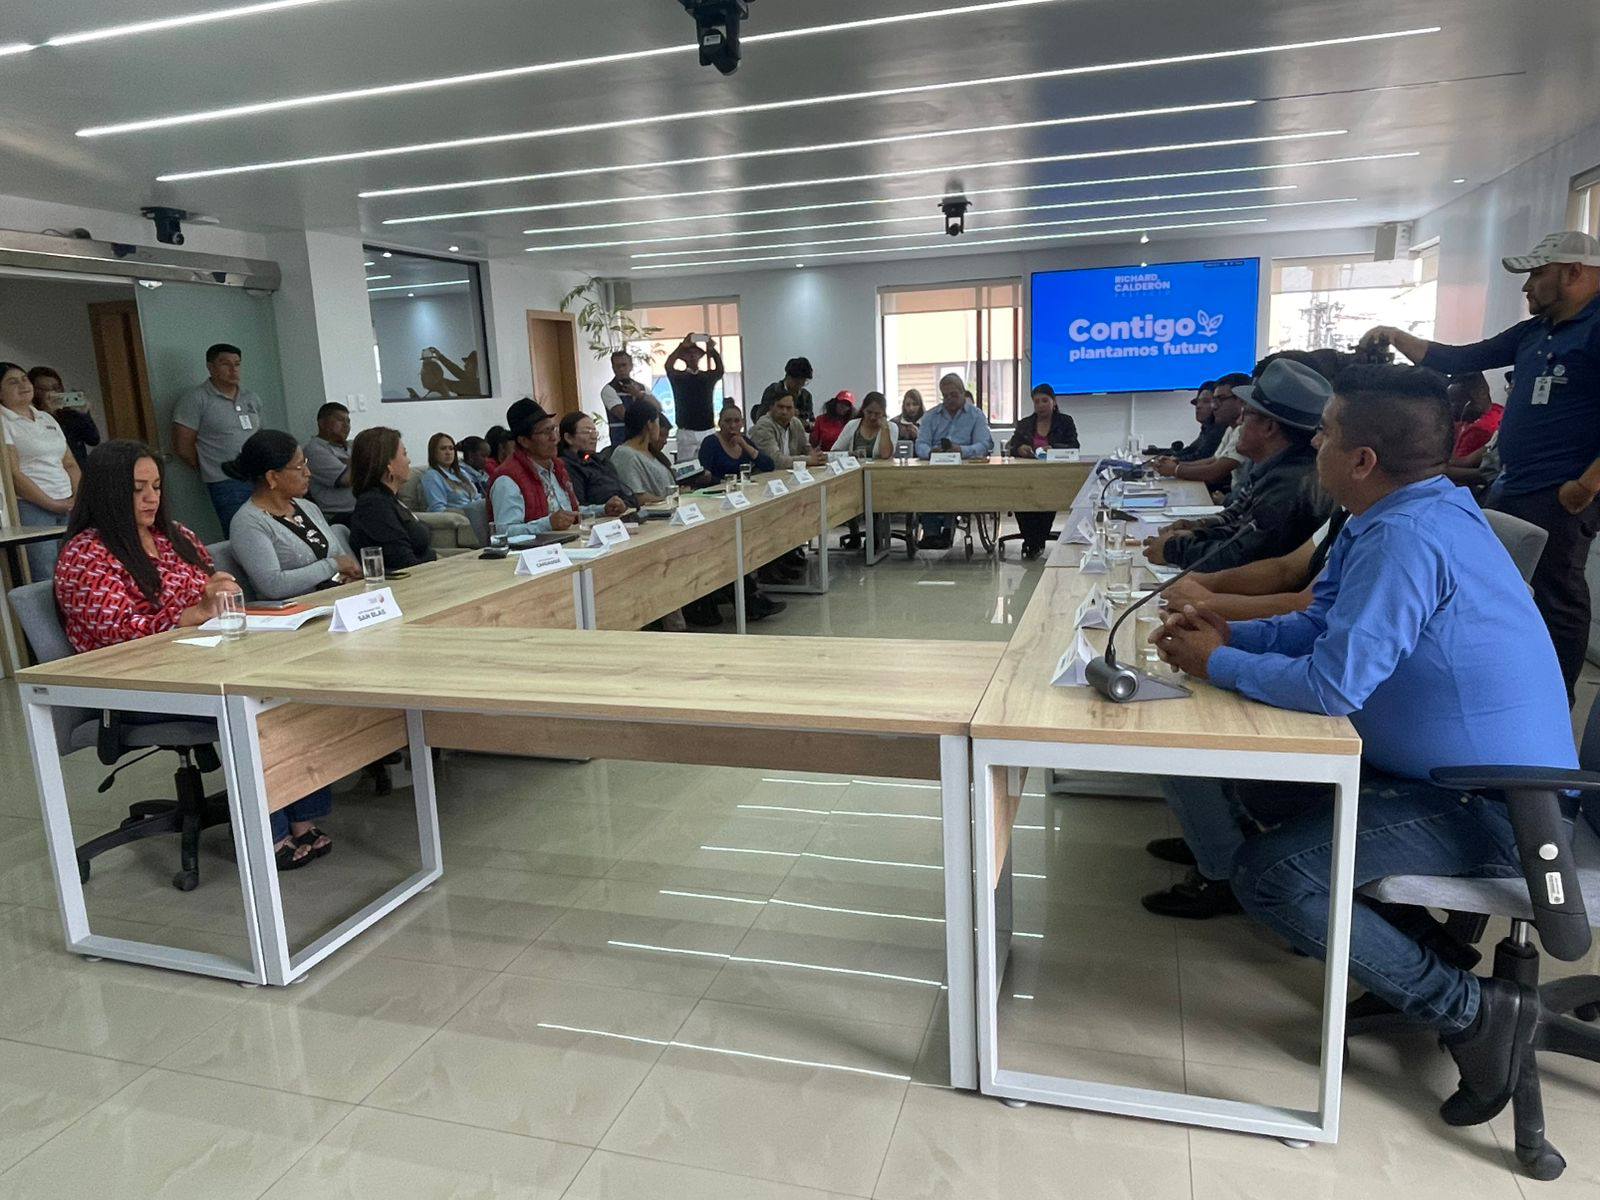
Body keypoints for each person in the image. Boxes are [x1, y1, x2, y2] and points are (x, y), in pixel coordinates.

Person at [1147, 363, 1577, 1130]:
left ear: (1362, 459)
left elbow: (1330, 686)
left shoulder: (1408, 537)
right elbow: (1323, 625)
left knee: (1272, 877)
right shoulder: (1400, 512)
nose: (1315, 445)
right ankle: (1430, 959)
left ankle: (1470, 1011)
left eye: (1326, 435)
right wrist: (1232, 635)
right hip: (1440, 777)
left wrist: (1217, 664)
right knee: (1255, 788)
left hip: (1500, 803)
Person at [53, 440, 334, 869]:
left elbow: (209, 586)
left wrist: (220, 586)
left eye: (156, 487)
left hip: (204, 662)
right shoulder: (85, 554)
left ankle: (301, 815)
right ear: (108, 492)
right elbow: (115, 633)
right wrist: (190, 614)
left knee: (290, 690)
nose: (151, 498)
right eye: (137, 489)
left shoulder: (174, 536)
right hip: (136, 685)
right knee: (255, 705)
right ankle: (267, 832)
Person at [1361, 230, 1600, 701]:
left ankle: (1556, 699)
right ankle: (1511, 686)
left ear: (1574, 272)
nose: (1527, 286)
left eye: (1537, 274)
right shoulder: (1535, 331)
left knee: (1557, 598)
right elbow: (1460, 358)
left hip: (1562, 492)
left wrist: (1586, 487)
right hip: (1514, 483)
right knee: (1505, 593)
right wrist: (1395, 335)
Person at [1146, 358, 1333, 572]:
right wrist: (1196, 532)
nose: (1239, 421)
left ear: (1269, 428)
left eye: (1247, 413)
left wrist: (1174, 549)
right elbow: (1239, 527)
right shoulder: (1275, 467)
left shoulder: (1289, 484)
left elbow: (1242, 556)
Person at [225, 430, 360, 599]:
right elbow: (273, 585)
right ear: (272, 477)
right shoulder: (248, 523)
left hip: (335, 599)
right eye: (299, 466)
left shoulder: (308, 507)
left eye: (305, 463)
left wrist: (346, 575)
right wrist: (332, 565)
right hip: (295, 610)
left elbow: (342, 559)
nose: (308, 473)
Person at [490, 399, 628, 537]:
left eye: (553, 429)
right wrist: (548, 524)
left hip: (567, 544)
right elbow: (504, 532)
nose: (554, 438)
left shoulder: (557, 468)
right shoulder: (507, 479)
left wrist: (603, 510)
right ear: (524, 441)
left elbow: (569, 513)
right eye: (546, 432)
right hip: (538, 550)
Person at [172, 343, 261, 530]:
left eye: (237, 364)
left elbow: (260, 436)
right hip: (226, 481)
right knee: (240, 532)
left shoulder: (251, 398)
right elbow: (184, 446)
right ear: (211, 367)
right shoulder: (196, 399)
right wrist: (210, 468)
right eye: (226, 364)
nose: (233, 369)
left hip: (259, 476)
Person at [1, 362, 78, 577]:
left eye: (24, 379)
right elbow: (13, 473)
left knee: (73, 567)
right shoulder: (3, 420)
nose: (23, 385)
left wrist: (78, 497)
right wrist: (52, 504)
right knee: (44, 571)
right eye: (13, 382)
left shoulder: (46, 417)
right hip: (33, 505)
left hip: (68, 502)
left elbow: (69, 462)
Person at [914, 372, 995, 550]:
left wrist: (962, 450)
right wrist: (930, 452)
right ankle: (931, 533)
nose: (949, 399)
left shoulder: (976, 415)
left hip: (964, 471)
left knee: (951, 483)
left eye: (954, 395)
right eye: (945, 396)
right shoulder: (931, 416)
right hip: (934, 469)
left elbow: (984, 445)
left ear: (963, 393)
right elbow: (920, 444)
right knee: (925, 484)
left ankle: (947, 529)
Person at [1007, 383, 1081, 559]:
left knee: (1047, 498)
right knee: (1020, 498)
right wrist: (1020, 449)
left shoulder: (1065, 421)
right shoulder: (1025, 424)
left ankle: (1035, 542)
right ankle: (1032, 540)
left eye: (1044, 401)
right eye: (1036, 401)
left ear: (1054, 402)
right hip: (1027, 476)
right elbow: (1012, 446)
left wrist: (1054, 448)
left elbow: (1074, 446)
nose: (1040, 405)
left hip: (1054, 475)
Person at [348, 427, 437, 570]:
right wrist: (434, 558)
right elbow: (404, 564)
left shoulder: (389, 499)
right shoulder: (374, 506)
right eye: (404, 454)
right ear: (388, 465)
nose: (409, 461)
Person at [559, 412, 637, 509]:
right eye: (587, 432)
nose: (594, 437)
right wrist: (606, 508)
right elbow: (579, 506)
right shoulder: (566, 466)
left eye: (594, 431)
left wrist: (624, 505)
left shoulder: (602, 461)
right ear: (568, 438)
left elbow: (627, 494)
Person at [27, 365, 100, 468]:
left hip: (80, 469)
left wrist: (84, 414)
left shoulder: (70, 414)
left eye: (55, 388)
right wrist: (48, 413)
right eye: (43, 389)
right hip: (53, 470)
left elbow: (93, 439)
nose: (51, 393)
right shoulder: (31, 416)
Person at [610, 398, 679, 504]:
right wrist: (667, 500)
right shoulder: (625, 455)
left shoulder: (651, 452)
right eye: (657, 423)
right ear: (649, 424)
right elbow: (637, 497)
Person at [302, 401, 354, 524]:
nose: (346, 425)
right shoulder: (315, 449)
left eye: (348, 421)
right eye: (340, 420)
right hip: (339, 515)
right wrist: (365, 460)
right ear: (322, 423)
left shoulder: (347, 447)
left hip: (359, 509)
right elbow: (347, 479)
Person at [750, 392, 827, 470]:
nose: (784, 412)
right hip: (766, 474)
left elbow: (806, 449)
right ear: (771, 407)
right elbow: (775, 461)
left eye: (789, 408)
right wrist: (809, 460)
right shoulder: (763, 425)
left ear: (795, 410)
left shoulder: (795, 422)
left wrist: (817, 456)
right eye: (780, 407)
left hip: (791, 473)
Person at [699, 403, 774, 481]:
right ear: (720, 423)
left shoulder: (745, 441)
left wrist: (745, 446)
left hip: (743, 486)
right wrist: (723, 482)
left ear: (742, 423)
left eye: (737, 421)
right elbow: (703, 476)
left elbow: (769, 466)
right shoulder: (710, 442)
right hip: (720, 487)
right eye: (727, 421)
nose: (732, 425)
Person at [665, 335, 724, 434]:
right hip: (685, 429)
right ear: (683, 357)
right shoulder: (679, 377)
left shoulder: (707, 377)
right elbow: (668, 366)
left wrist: (712, 350)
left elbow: (720, 370)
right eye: (688, 353)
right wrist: (681, 346)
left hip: (707, 428)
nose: (692, 355)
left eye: (695, 353)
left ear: (700, 356)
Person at [1447, 372, 1504, 461]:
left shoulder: (1477, 431)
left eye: (1457, 401)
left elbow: (1453, 464)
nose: (1451, 408)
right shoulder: (1498, 410)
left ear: (1481, 392)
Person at [1175, 382, 1225, 462]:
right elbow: (1192, 449)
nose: (1198, 406)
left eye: (1206, 401)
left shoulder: (1219, 430)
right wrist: (1172, 458)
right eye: (1198, 402)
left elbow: (1201, 456)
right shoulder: (1207, 428)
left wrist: (1175, 461)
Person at [757, 357, 815, 424]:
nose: (800, 386)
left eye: (804, 383)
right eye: (797, 383)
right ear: (789, 377)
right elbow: (761, 417)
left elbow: (811, 419)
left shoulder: (806, 396)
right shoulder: (773, 391)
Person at [599, 349, 649, 420]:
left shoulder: (642, 387)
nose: (621, 369)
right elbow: (626, 417)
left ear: (631, 366)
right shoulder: (608, 390)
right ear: (613, 368)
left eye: (624, 365)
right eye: (617, 366)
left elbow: (658, 408)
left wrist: (638, 394)